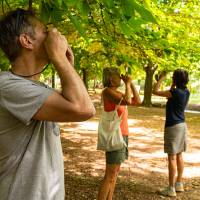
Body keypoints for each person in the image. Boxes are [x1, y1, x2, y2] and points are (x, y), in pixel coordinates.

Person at [0, 8, 95, 200]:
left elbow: (75, 101)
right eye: (45, 31)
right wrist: (59, 58)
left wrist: (66, 64)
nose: (53, 35)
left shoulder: (36, 88)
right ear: (26, 41)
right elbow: (84, 109)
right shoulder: (6, 86)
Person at [98, 67, 141, 200]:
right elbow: (128, 101)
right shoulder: (107, 92)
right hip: (115, 136)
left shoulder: (117, 93)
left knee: (115, 173)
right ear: (111, 78)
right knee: (110, 175)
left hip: (123, 135)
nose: (121, 77)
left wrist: (131, 83)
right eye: (118, 75)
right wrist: (127, 84)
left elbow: (137, 101)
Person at [152, 69, 190, 197]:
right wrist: (173, 83)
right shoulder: (186, 91)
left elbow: (155, 91)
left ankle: (171, 188)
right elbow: (173, 93)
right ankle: (179, 183)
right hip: (182, 125)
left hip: (173, 127)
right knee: (179, 155)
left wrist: (161, 78)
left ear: (175, 79)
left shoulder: (174, 92)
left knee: (172, 157)